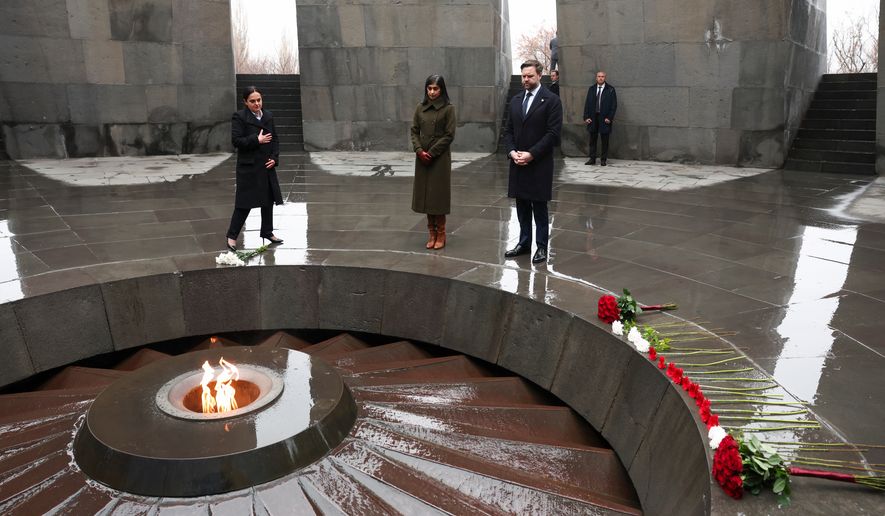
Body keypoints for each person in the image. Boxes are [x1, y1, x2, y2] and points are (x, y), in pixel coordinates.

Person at [502, 59, 563, 264]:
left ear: (539, 75)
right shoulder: (516, 100)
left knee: (539, 207)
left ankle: (542, 247)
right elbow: (508, 131)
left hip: (539, 163)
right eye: (523, 76)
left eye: (529, 76)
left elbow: (553, 134)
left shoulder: (552, 100)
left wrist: (531, 154)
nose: (525, 80)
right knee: (521, 205)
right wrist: (511, 152)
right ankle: (524, 243)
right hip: (517, 162)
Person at [226, 86, 283, 251]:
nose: (257, 104)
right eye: (252, 101)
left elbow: (275, 140)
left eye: (259, 100)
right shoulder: (239, 117)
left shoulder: (268, 116)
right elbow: (236, 141)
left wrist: (274, 158)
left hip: (266, 165)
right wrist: (256, 140)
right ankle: (232, 236)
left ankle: (267, 231)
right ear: (245, 102)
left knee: (267, 201)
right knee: (244, 203)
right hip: (248, 167)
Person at [411, 74, 456, 249]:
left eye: (435, 88)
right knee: (426, 197)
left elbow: (449, 135)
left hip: (439, 159)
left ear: (442, 89)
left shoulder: (448, 109)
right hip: (422, 157)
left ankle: (441, 234)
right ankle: (431, 232)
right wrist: (419, 150)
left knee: (438, 196)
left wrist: (431, 152)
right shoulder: (419, 108)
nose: (432, 92)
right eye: (429, 88)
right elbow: (414, 131)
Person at [583, 71, 617, 166]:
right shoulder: (592, 89)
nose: (601, 78)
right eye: (599, 76)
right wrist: (586, 117)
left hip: (604, 118)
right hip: (593, 118)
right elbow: (587, 104)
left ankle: (603, 160)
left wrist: (609, 118)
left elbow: (613, 105)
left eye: (602, 76)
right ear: (596, 78)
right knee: (592, 140)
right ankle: (592, 159)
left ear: (605, 77)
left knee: (605, 140)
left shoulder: (610, 89)